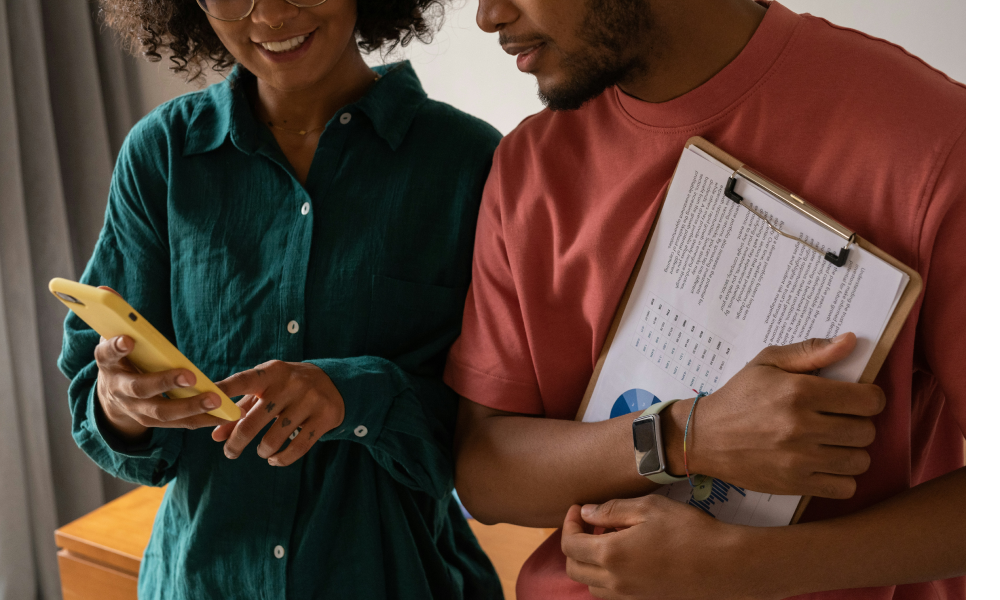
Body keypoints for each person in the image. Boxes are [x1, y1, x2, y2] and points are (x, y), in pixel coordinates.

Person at [446, 0, 965, 598]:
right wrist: (685, 435)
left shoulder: (932, 144)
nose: (488, 16)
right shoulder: (527, 167)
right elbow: (484, 473)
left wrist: (759, 566)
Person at [58, 0, 503, 598]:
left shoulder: (468, 161)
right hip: (202, 578)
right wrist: (120, 403)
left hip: (395, 576)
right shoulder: (161, 156)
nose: (268, 15)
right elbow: (97, 395)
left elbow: (499, 434)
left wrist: (357, 395)